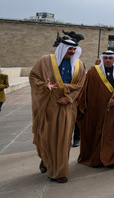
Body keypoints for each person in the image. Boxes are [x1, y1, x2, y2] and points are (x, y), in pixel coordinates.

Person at [29, 37, 86, 183]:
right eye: (69, 49)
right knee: (46, 137)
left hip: (67, 106)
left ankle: (58, 172)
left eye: (74, 49)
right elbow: (33, 76)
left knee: (63, 139)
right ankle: (46, 159)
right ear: (62, 48)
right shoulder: (45, 61)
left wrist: (69, 98)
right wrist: (44, 86)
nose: (72, 51)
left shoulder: (79, 65)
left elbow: (80, 85)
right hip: (49, 104)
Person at [77, 50, 114, 168]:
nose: (108, 60)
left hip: (113, 111)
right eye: (106, 58)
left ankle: (112, 159)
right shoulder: (94, 71)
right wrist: (82, 106)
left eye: (110, 58)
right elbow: (85, 89)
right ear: (102, 59)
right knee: (95, 134)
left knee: (112, 135)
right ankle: (96, 160)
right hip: (95, 110)